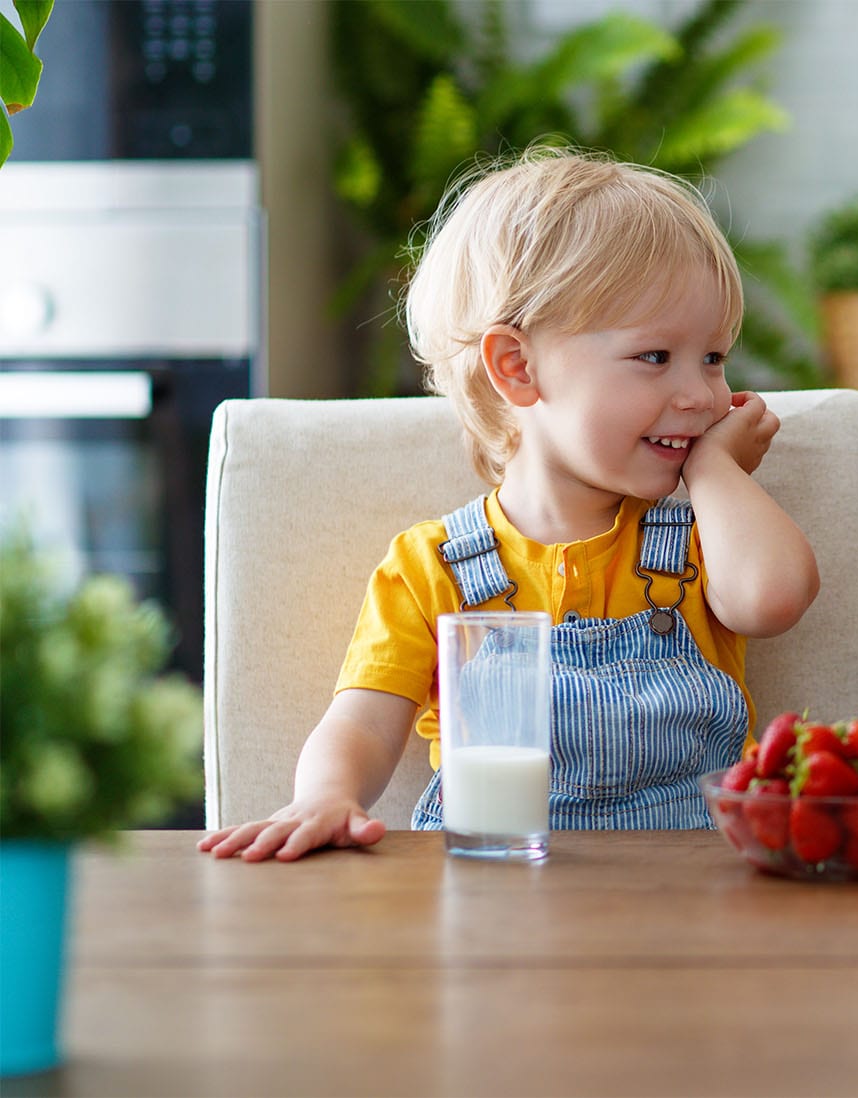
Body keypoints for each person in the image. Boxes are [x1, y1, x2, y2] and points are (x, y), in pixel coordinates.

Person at [201, 149, 819, 861]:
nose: (703, 394)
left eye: (713, 358)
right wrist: (326, 796)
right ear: (517, 367)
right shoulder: (430, 567)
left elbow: (774, 598)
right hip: (495, 899)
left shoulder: (704, 535)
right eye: (657, 357)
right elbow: (364, 723)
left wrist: (714, 470)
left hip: (683, 905)